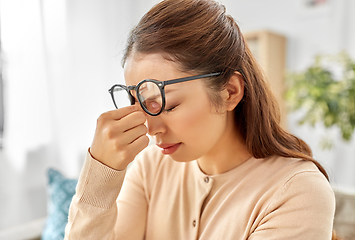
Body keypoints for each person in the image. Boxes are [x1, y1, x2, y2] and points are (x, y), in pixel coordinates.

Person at [65, 0, 336, 239]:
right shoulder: (150, 167)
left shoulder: (297, 192)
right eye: (137, 102)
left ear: (230, 92)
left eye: (166, 104)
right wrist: (100, 175)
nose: (149, 128)